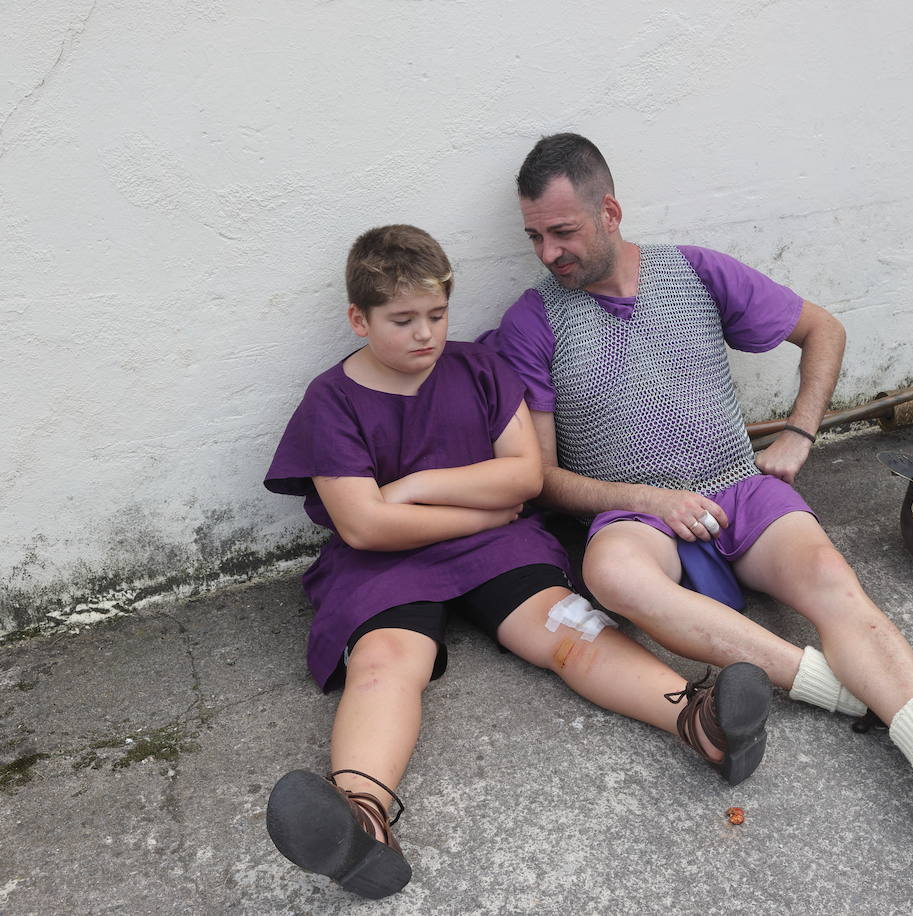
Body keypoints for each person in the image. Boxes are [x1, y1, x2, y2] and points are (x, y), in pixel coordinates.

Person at [495, 134, 913, 848]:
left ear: (609, 211)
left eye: (563, 232)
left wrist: (801, 432)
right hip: (635, 512)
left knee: (834, 584)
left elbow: (821, 328)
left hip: (740, 486)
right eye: (534, 237)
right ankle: (861, 698)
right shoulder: (531, 321)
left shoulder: (695, 273)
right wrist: (651, 500)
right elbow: (543, 476)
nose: (549, 253)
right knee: (609, 574)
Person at [261, 225, 770, 899]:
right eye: (402, 320)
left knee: (572, 630)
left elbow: (525, 476)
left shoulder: (477, 367)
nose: (425, 335)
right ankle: (360, 819)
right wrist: (481, 509)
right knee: (386, 663)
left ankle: (698, 721)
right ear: (359, 318)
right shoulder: (331, 401)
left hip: (495, 543)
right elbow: (365, 524)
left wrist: (419, 488)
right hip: (384, 561)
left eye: (437, 315)